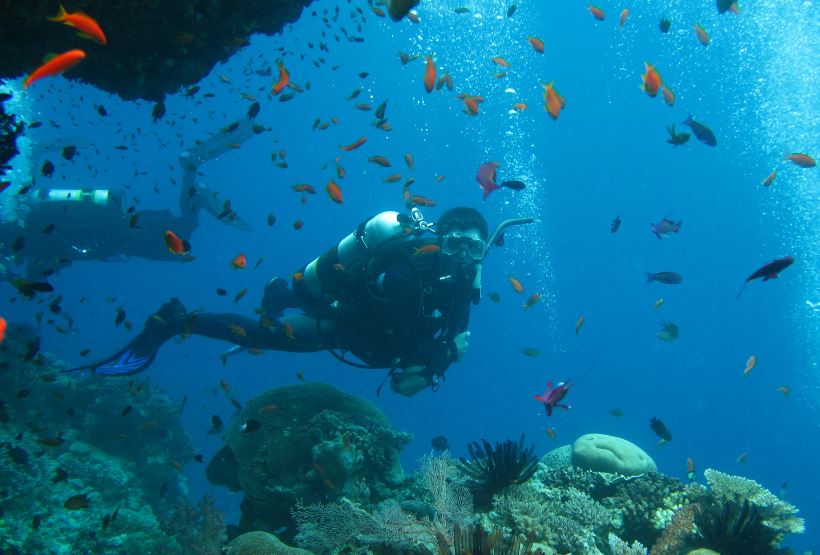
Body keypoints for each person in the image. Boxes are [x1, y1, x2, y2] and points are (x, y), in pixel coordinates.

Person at [66, 206, 533, 396]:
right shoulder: (407, 269)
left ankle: (282, 291)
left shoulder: (462, 286)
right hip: (343, 323)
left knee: (279, 320)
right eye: (456, 245)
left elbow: (439, 337)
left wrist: (441, 355)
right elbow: (395, 322)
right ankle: (175, 321)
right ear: (440, 239)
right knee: (271, 336)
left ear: (485, 249)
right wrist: (436, 354)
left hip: (364, 336)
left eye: (474, 248)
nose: (464, 256)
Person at [0, 116, 259, 280]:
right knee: (183, 231)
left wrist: (16, 279)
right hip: (124, 222)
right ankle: (192, 178)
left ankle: (192, 176)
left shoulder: (28, 240)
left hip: (122, 235)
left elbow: (38, 275)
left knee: (183, 242)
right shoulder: (28, 227)